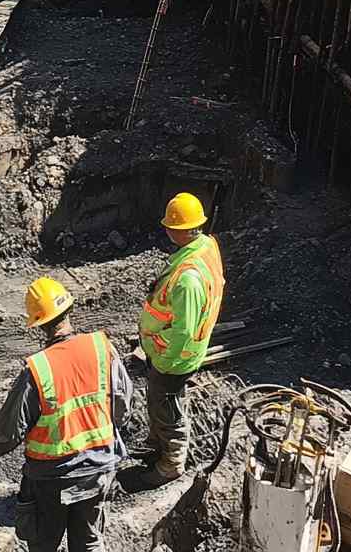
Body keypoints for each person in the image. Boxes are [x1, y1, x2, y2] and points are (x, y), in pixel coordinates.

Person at [0, 277, 133, 552]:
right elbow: (123, 400)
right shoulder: (102, 348)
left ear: (38, 322)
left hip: (52, 478)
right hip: (99, 465)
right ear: (68, 310)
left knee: (44, 542)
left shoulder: (38, 368)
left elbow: (11, 426)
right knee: (88, 541)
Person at [134, 192, 225, 488]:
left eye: (169, 225)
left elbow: (184, 331)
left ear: (180, 230)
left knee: (168, 408)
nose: (166, 229)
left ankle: (170, 464)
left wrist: (164, 361)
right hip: (174, 353)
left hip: (175, 358)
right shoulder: (205, 247)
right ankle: (158, 443)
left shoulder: (187, 280)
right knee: (162, 402)